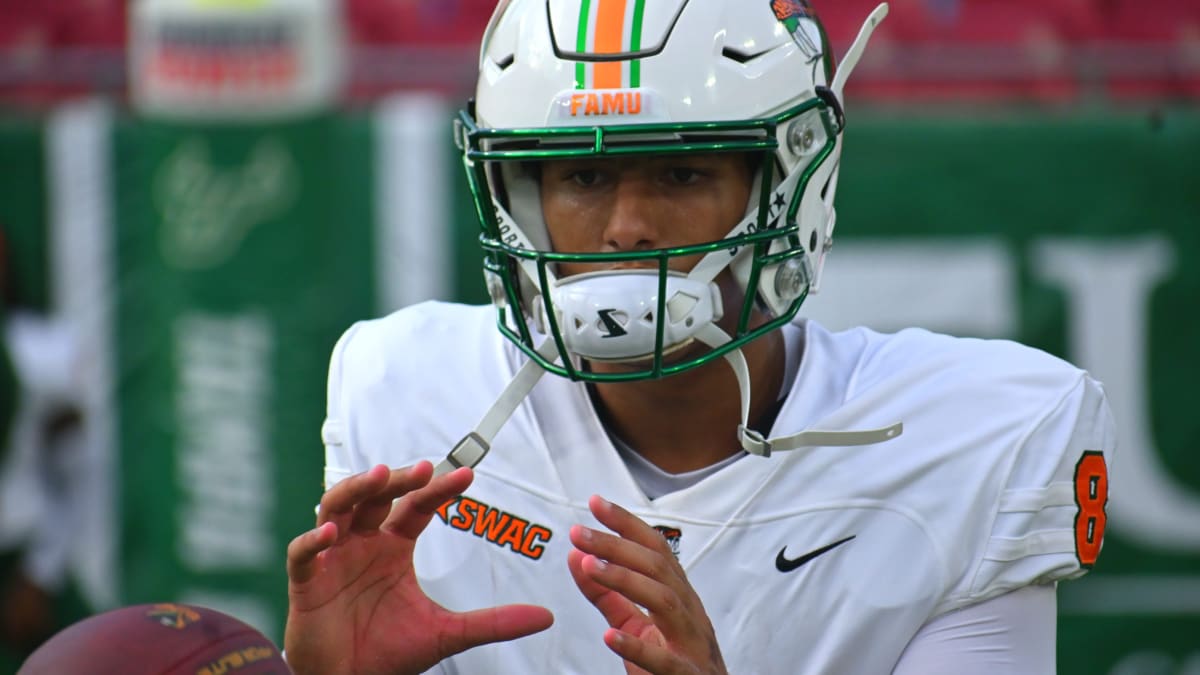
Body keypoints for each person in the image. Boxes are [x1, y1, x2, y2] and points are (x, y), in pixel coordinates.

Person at [284, 0, 1116, 673]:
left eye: (682, 172)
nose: (626, 227)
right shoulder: (407, 389)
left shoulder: (972, 435)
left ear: (794, 187)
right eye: (582, 175)